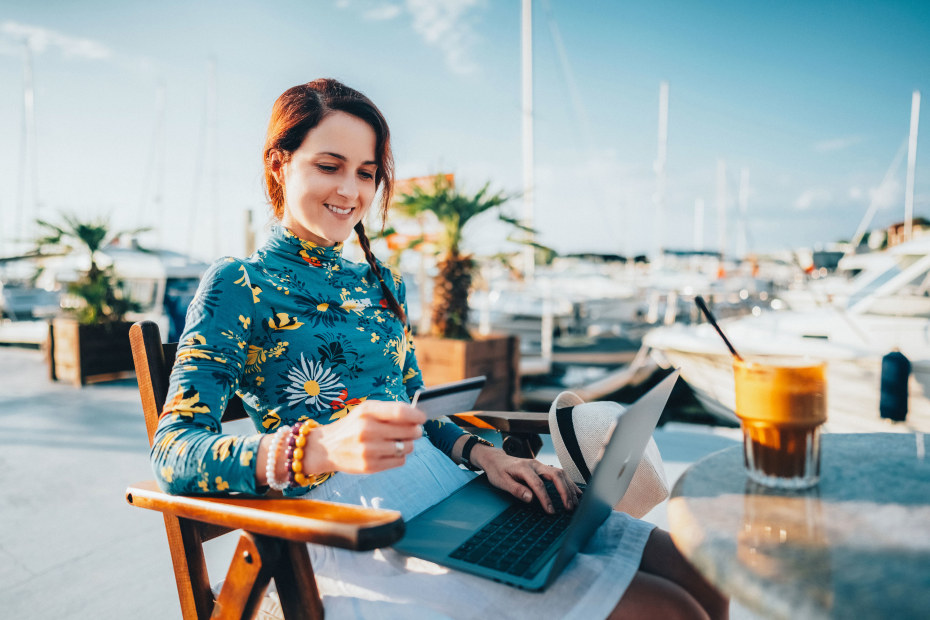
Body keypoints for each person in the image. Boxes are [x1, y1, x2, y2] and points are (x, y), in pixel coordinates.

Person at [151, 78, 728, 620]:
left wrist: (487, 456)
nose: (350, 191)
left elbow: (418, 406)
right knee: (668, 610)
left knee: (703, 576)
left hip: (454, 496)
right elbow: (174, 453)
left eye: (367, 173)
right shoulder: (240, 284)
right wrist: (319, 447)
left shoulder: (382, 283)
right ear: (279, 163)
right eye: (329, 166)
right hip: (355, 523)